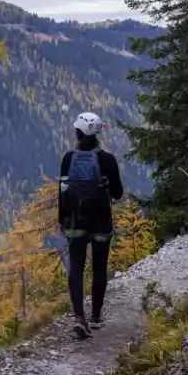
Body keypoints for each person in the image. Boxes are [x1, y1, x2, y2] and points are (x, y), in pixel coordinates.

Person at [58, 111, 124, 340]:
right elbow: (118, 194)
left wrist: (62, 220)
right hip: (101, 221)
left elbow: (63, 191)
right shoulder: (107, 159)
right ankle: (95, 317)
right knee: (99, 267)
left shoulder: (68, 158)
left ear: (78, 133)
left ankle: (79, 318)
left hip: (75, 221)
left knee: (75, 268)